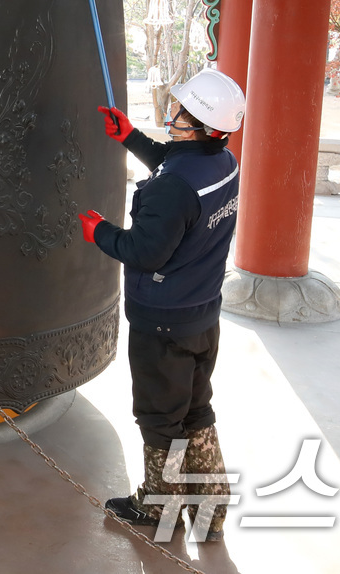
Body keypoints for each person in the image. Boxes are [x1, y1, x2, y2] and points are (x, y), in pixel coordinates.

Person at [78, 69, 246, 540]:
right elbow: (176, 164)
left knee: (159, 417)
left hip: (162, 324)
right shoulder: (222, 162)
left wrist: (100, 233)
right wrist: (131, 137)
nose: (171, 120)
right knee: (194, 409)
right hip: (202, 316)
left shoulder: (176, 187)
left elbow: (145, 250)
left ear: (203, 127)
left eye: (180, 116)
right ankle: (210, 510)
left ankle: (157, 509)